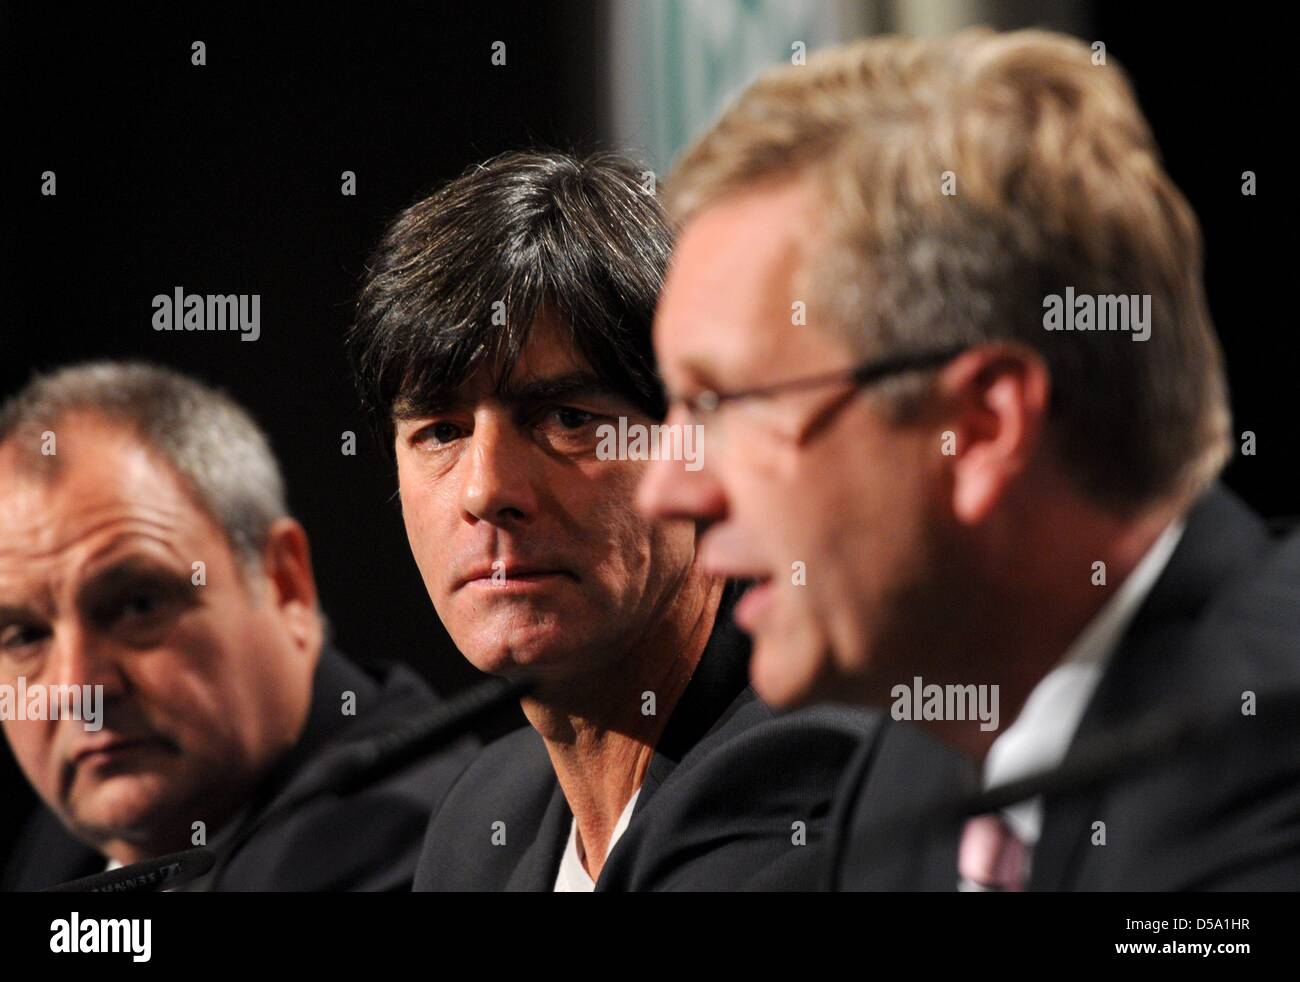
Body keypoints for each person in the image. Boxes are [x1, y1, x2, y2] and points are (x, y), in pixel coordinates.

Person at [638, 28, 1300, 890]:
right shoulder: (910, 768)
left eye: (725, 405)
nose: (667, 487)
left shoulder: (1265, 758)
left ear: (983, 428)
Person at [348, 149, 916, 891]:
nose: (485, 489)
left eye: (567, 418)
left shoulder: (804, 774)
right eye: (441, 433)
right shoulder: (482, 822)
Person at [0, 362, 476, 891]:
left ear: (284, 583)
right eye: (24, 636)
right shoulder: (72, 838)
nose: (78, 688)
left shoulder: (414, 844)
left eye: (138, 605)